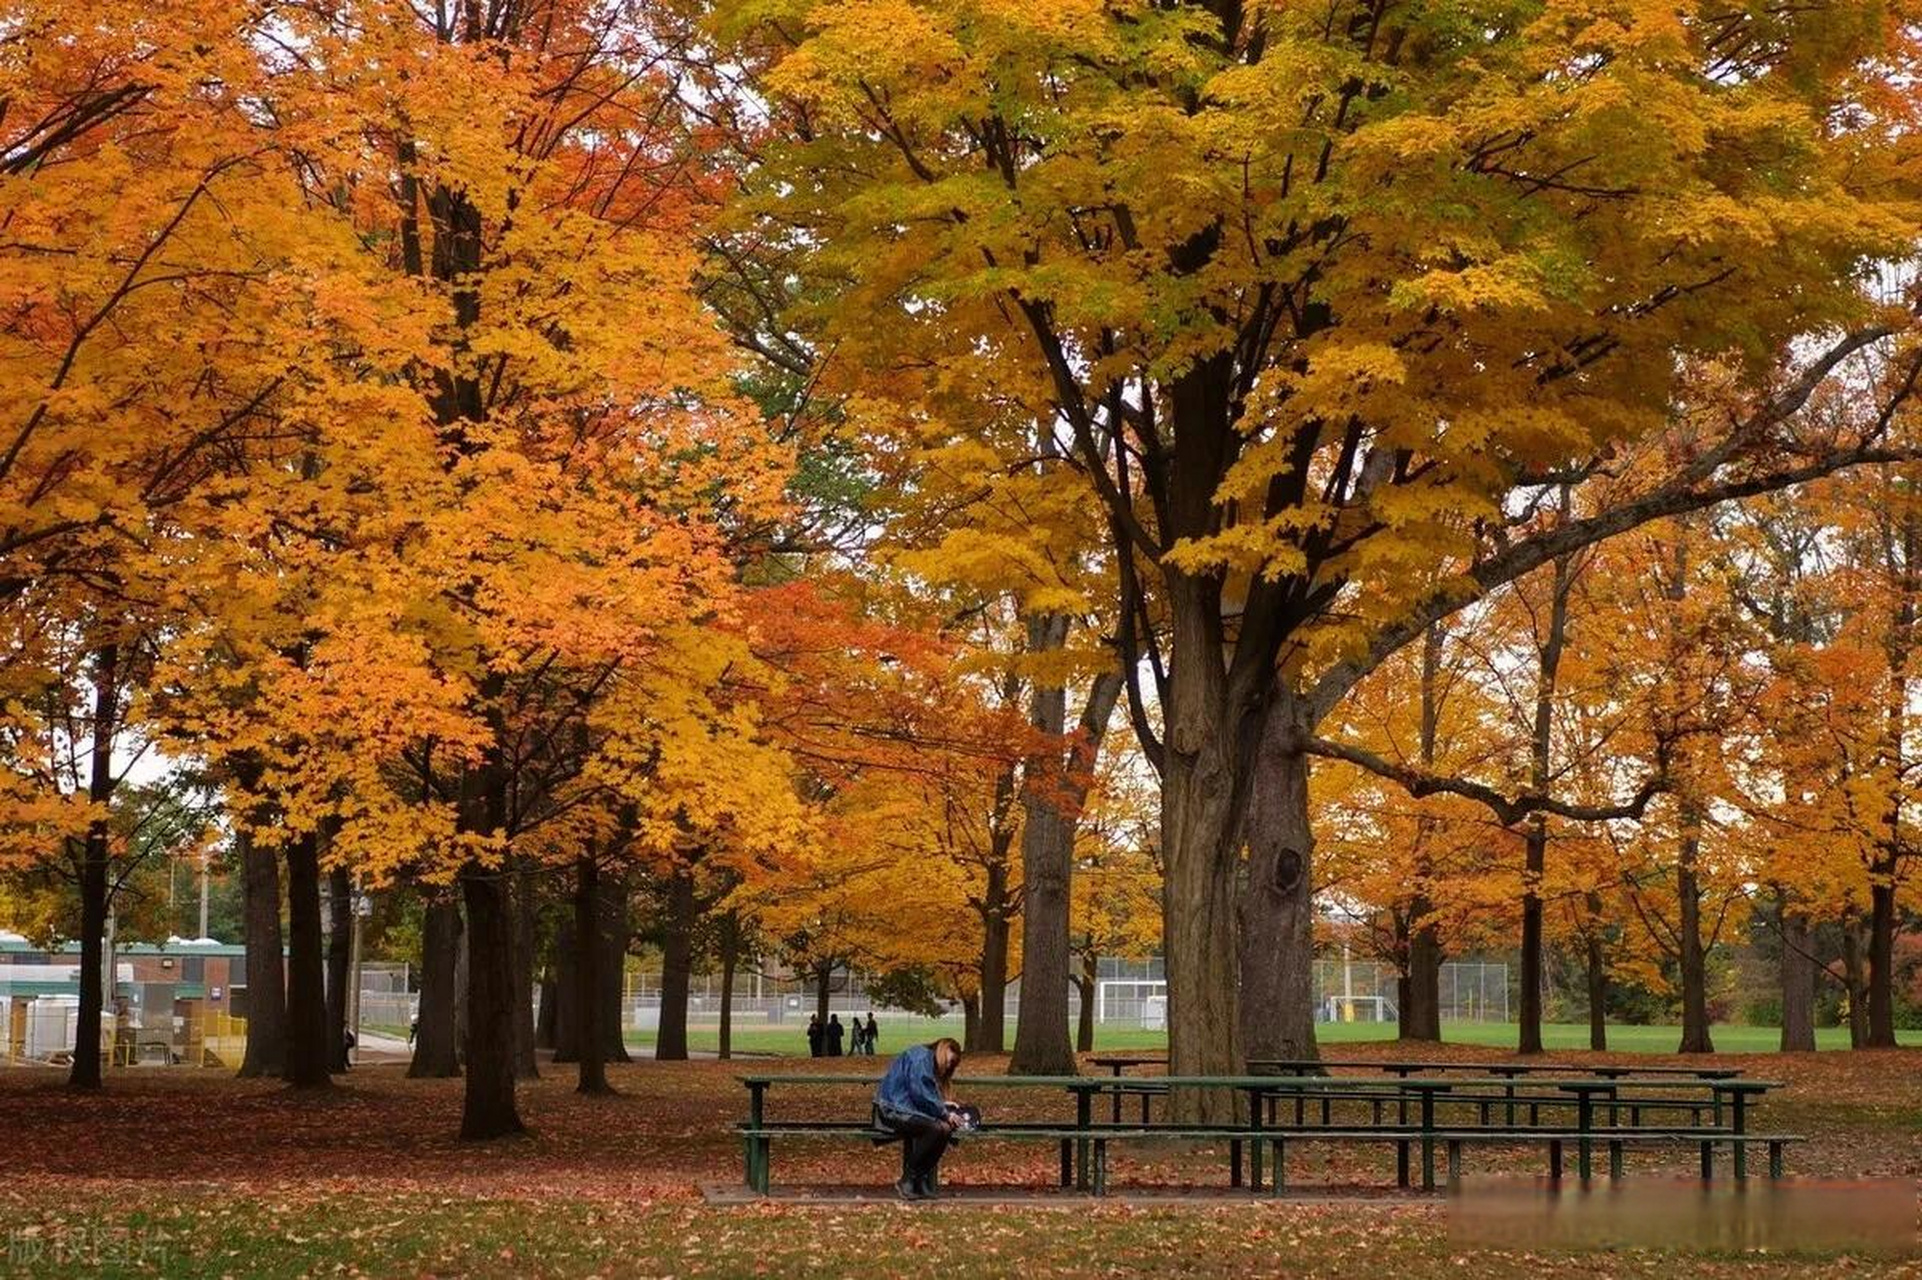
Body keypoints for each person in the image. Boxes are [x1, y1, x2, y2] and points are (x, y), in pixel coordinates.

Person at [873, 1037, 963, 1200]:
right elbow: (920, 1094)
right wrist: (945, 1112)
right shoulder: (921, 1058)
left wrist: (943, 1105)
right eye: (950, 1061)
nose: (949, 1066)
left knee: (945, 1129)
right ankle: (909, 1178)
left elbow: (921, 1094)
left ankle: (918, 1179)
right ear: (942, 1050)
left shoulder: (925, 1060)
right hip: (892, 1109)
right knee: (937, 1128)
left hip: (905, 1109)